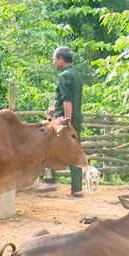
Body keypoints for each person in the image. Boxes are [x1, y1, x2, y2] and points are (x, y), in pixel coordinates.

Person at [39, 46, 84, 197]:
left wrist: (65, 121)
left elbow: (67, 100)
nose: (53, 62)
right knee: (73, 150)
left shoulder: (64, 76)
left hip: (65, 120)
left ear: (60, 59)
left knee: (46, 146)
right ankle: (77, 188)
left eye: (54, 59)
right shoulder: (76, 74)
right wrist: (55, 109)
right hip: (76, 117)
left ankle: (51, 180)